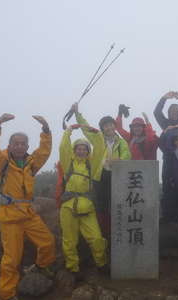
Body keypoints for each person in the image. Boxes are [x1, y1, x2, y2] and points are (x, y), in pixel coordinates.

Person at [0, 113, 55, 300]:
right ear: (9, 146)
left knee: (47, 242)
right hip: (9, 217)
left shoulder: (31, 164)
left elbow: (45, 151)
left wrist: (46, 130)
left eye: (23, 143)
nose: (20, 146)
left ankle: (41, 266)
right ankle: (7, 295)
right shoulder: (2, 163)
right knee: (12, 259)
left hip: (29, 214)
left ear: (27, 147)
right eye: (16, 143)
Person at [71, 103, 131, 240]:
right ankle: (104, 234)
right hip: (100, 177)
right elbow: (86, 129)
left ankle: (117, 235)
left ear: (114, 126)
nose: (109, 127)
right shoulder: (98, 139)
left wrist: (119, 161)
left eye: (111, 125)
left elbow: (127, 156)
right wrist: (77, 114)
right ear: (102, 129)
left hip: (116, 177)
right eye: (106, 126)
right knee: (101, 206)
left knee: (117, 205)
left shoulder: (122, 143)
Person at [59, 124, 108, 280]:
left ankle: (102, 264)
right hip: (68, 208)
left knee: (96, 238)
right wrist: (68, 132)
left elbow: (100, 150)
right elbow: (63, 149)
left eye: (84, 149)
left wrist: (98, 134)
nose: (81, 151)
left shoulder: (92, 166)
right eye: (78, 148)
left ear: (88, 152)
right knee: (69, 240)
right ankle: (73, 269)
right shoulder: (68, 164)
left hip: (87, 207)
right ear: (74, 151)